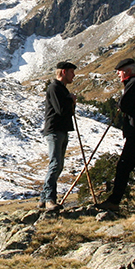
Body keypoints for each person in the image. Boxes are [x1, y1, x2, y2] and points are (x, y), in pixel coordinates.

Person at [97, 57, 135, 215]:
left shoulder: (133, 84)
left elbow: (124, 105)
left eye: (120, 71)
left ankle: (115, 201)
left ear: (127, 71)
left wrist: (118, 103)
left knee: (123, 167)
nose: (118, 74)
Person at [40, 60, 77, 211]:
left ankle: (44, 199)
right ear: (63, 72)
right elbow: (61, 110)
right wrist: (71, 101)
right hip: (55, 130)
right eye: (71, 72)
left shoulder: (62, 89)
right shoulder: (55, 88)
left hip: (61, 130)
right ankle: (49, 199)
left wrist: (70, 101)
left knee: (58, 165)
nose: (73, 75)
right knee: (55, 164)